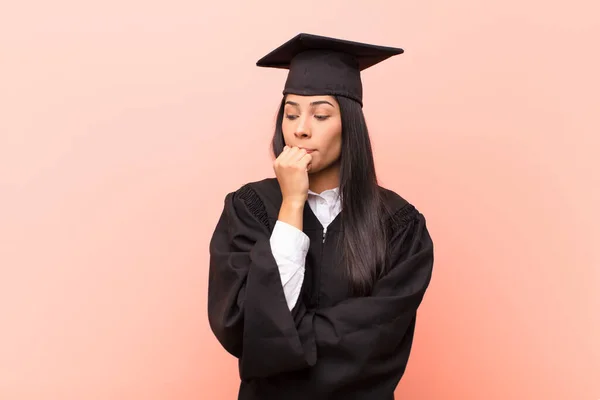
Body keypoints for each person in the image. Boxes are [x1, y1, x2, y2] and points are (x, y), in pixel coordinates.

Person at [207, 33, 435, 400]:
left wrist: (281, 339)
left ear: (350, 124)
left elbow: (378, 339)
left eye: (321, 114)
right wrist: (292, 204)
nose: (300, 128)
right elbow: (240, 327)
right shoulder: (249, 209)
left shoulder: (399, 225)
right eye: (291, 113)